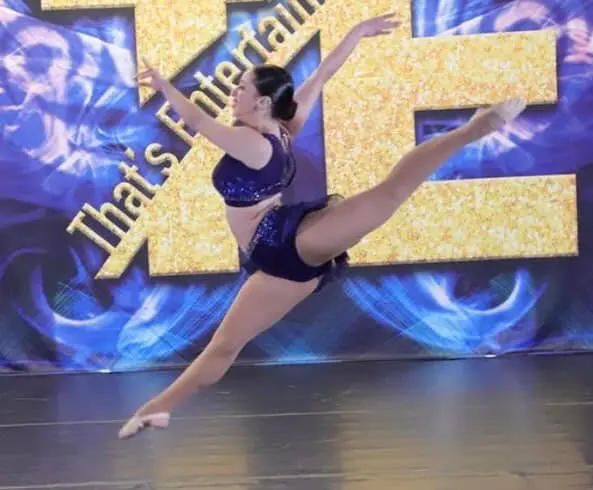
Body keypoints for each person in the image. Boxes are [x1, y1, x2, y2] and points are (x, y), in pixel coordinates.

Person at [118, 12, 526, 439]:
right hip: (294, 239)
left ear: (260, 102)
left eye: (241, 87)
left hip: (275, 249)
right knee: (388, 195)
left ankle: (156, 408)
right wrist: (357, 32)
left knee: (223, 348)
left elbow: (199, 123)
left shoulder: (252, 143)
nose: (233, 92)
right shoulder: (283, 130)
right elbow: (323, 73)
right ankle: (474, 129)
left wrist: (165, 87)